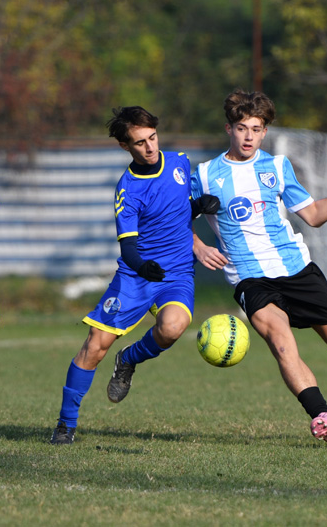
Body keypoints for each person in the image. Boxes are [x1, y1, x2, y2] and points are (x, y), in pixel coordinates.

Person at [191, 89, 327, 448]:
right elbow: (172, 219)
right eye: (242, 128)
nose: (249, 136)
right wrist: (198, 245)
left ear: (265, 132)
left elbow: (314, 215)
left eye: (256, 129)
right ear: (229, 128)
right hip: (249, 278)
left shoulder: (277, 167)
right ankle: (322, 416)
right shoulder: (204, 175)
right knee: (281, 344)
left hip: (296, 269)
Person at [50, 106, 219, 445]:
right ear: (125, 146)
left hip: (176, 273)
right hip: (136, 276)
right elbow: (128, 247)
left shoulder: (179, 162)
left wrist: (199, 206)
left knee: (172, 328)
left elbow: (177, 209)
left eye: (152, 137)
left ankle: (128, 359)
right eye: (140, 142)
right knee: (95, 346)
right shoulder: (127, 190)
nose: (150, 146)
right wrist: (142, 266)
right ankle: (66, 425)